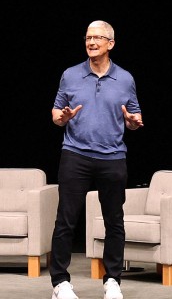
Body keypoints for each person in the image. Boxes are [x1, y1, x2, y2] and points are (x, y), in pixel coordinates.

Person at [49, 20, 143, 299]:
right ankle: (60, 283)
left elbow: (134, 117)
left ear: (110, 44)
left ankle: (112, 281)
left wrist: (134, 123)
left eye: (98, 38)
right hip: (75, 154)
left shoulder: (125, 78)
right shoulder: (70, 75)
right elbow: (55, 113)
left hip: (112, 157)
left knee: (115, 221)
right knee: (66, 220)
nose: (91, 42)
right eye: (88, 38)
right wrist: (62, 118)